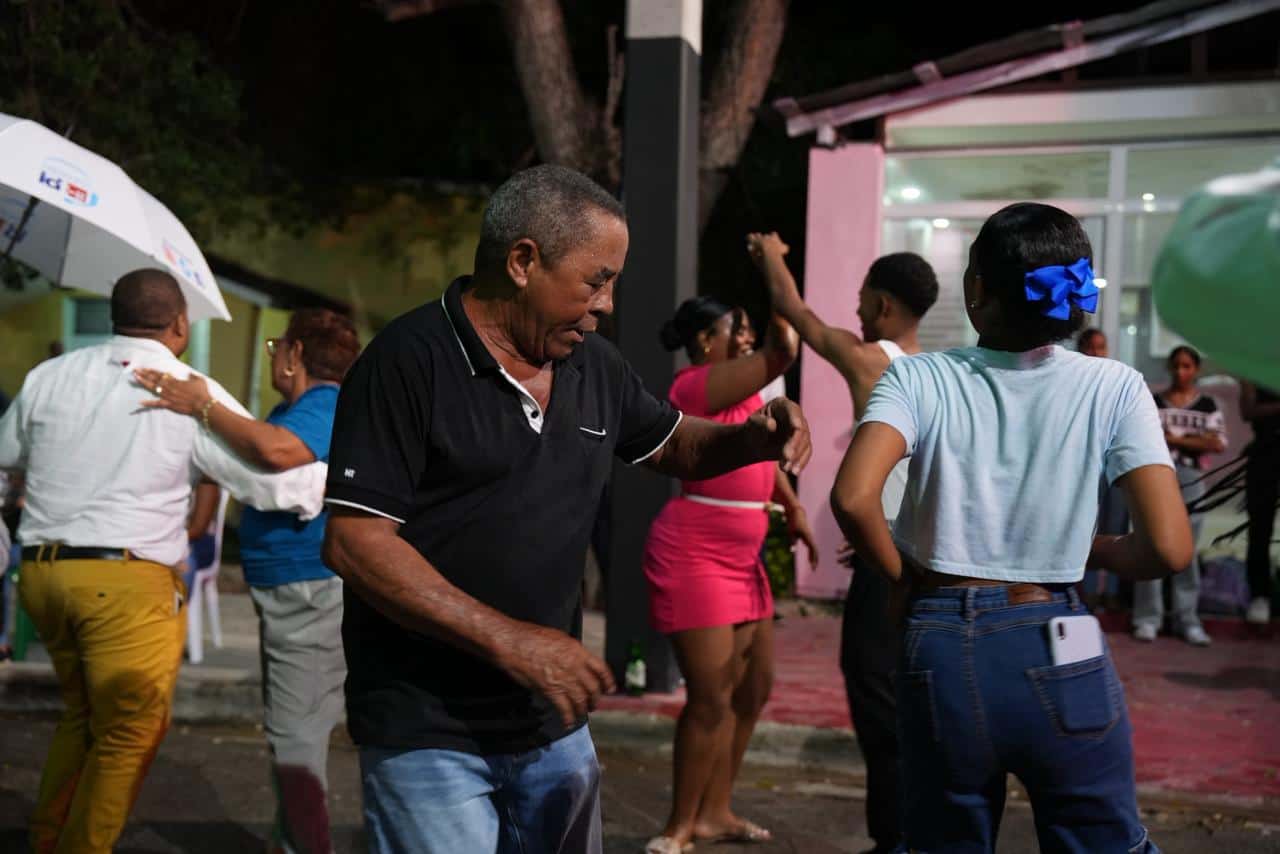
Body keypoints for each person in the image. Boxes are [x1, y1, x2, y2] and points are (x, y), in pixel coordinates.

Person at [319, 164, 812, 854]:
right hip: (427, 730)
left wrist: (752, 439)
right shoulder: (408, 361)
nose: (606, 303)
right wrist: (512, 639)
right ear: (523, 261)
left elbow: (675, 446)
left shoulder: (594, 366)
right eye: (597, 279)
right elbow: (355, 542)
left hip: (552, 723)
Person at [830, 202, 1192, 852]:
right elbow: (1168, 546)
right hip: (1059, 633)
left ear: (976, 291)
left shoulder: (918, 376)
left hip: (941, 639)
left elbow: (855, 498)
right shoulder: (1116, 386)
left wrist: (904, 577)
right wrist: (1097, 548)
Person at [0, 269, 329, 854]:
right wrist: (335, 483)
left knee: (83, 717)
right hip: (127, 584)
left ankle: (46, 838)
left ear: (113, 317)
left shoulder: (49, 377)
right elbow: (269, 484)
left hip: (45, 574)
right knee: (129, 733)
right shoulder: (183, 386)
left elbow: (6, 457)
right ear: (179, 325)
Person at [133, 307, 361, 854]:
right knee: (294, 725)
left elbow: (276, 454)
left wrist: (202, 404)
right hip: (294, 588)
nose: (273, 358)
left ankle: (307, 845)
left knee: (294, 733)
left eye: (275, 347)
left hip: (306, 588)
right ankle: (295, 839)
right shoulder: (296, 408)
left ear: (296, 353)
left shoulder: (323, 405)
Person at [746, 231, 938, 854]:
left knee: (876, 691)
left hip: (887, 560)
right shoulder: (940, 372)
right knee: (913, 695)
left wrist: (771, 254)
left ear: (883, 305)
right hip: (933, 557)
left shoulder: (869, 361)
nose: (854, 311)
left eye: (861, 300)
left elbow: (794, 312)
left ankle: (897, 839)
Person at [641, 296, 815, 853]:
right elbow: (781, 351)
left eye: (745, 330)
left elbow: (762, 453)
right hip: (696, 551)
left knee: (753, 689)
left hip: (746, 557)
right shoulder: (694, 385)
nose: (743, 340)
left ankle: (716, 811)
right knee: (711, 695)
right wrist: (773, 275)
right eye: (732, 331)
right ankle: (679, 826)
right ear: (702, 344)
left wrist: (793, 505)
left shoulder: (742, 398)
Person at [1133, 345, 1226, 646]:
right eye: (1176, 366)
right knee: (1151, 545)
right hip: (1157, 479)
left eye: (1187, 366)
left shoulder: (1208, 404)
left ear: (1196, 370)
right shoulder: (1154, 401)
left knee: (1186, 551)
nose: (1181, 372)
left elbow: (1217, 443)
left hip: (1193, 478)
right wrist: (1193, 440)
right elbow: (1143, 436)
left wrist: (1172, 437)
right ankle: (1148, 618)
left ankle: (1187, 619)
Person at [1077, 328, 1127, 613]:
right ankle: (1089, 592)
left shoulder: (1119, 384)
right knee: (1088, 529)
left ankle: (1112, 592)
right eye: (1090, 347)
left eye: (1101, 347)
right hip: (1086, 472)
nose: (1096, 353)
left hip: (1115, 471)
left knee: (1116, 530)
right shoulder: (1071, 386)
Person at [1240, 380, 1280, 624]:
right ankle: (1259, 595)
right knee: (1259, 528)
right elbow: (1247, 410)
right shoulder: (1252, 366)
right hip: (1265, 453)